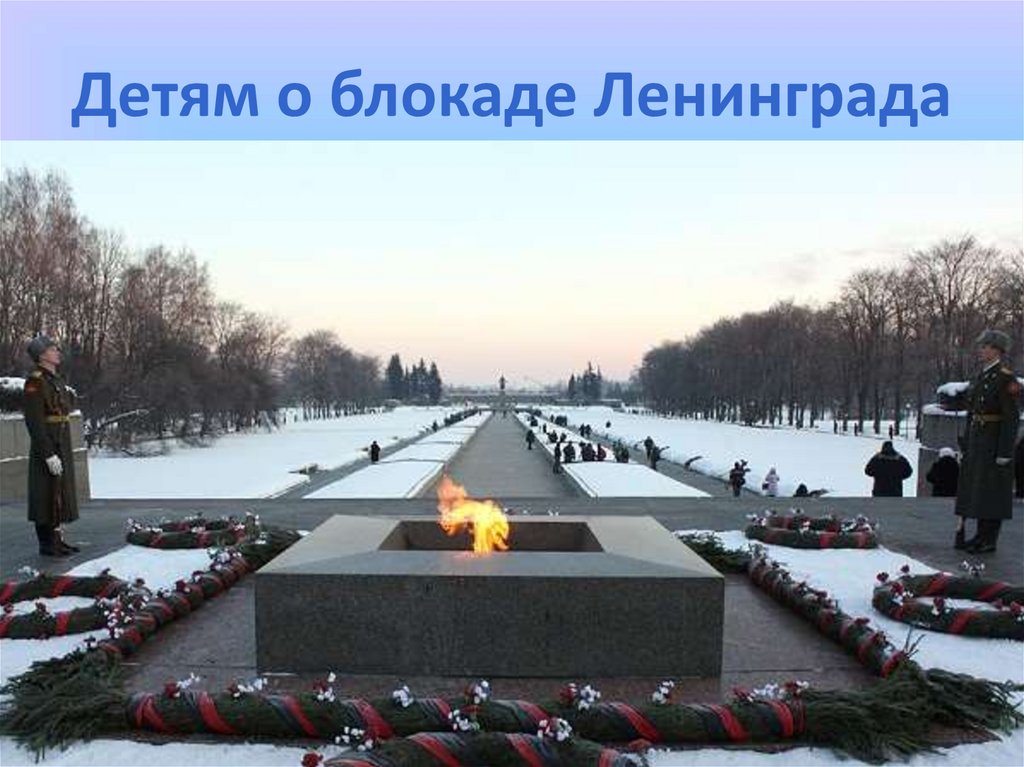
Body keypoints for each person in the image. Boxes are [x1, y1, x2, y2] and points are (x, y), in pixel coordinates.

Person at [945, 330, 1021, 553]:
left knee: (992, 491)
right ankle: (979, 536)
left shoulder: (1006, 379)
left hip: (993, 442)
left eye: (985, 346)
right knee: (979, 490)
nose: (981, 350)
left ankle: (989, 539)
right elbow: (973, 412)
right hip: (979, 441)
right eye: (982, 346)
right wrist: (967, 442)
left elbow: (1010, 418)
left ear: (997, 350)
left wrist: (1004, 451)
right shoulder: (981, 377)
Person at [22, 336, 80, 557]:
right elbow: (34, 421)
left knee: (59, 491)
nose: (57, 352)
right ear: (42, 355)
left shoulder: (55, 380)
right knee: (44, 492)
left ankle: (57, 539)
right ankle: (46, 543)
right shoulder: (35, 382)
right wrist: (47, 454)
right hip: (46, 444)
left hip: (61, 441)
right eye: (52, 349)